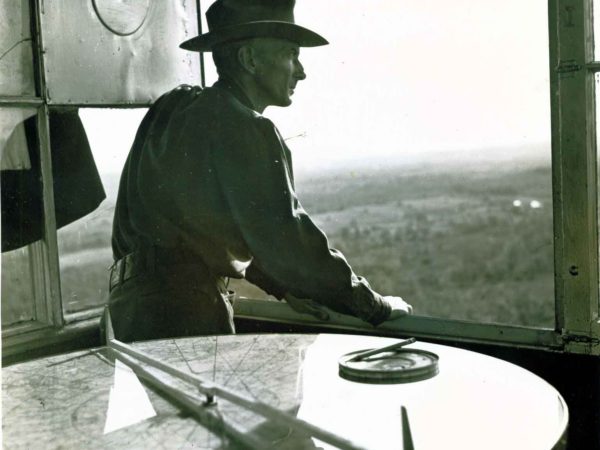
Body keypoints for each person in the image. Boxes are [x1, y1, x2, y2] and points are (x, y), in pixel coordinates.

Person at [106, 0, 412, 342]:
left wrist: (281, 287)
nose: (301, 71)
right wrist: (372, 305)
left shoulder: (172, 107)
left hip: (126, 311)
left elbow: (206, 232)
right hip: (184, 313)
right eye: (291, 54)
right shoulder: (246, 127)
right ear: (250, 59)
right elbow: (288, 241)